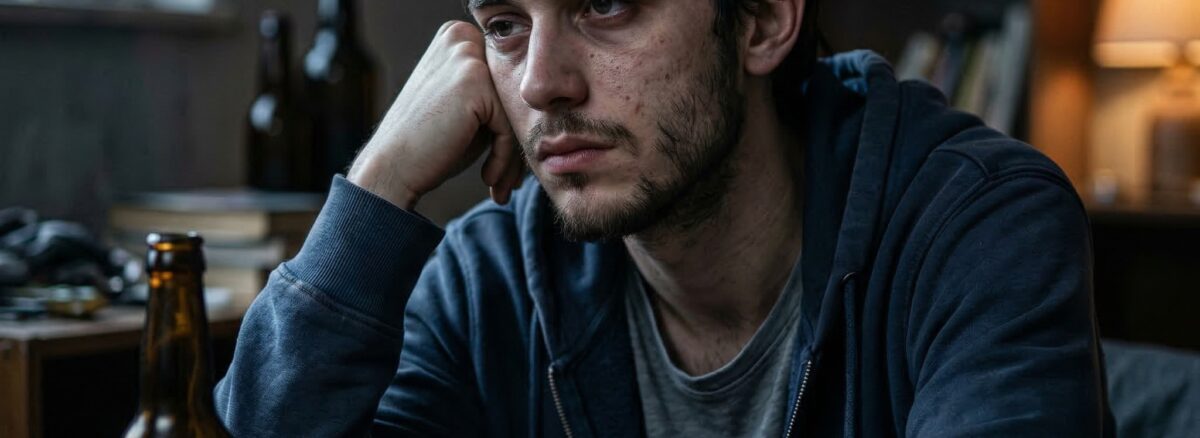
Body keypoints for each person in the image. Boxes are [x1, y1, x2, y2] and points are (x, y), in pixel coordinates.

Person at [215, 0, 1114, 436]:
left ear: (762, 20)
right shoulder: (486, 283)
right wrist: (378, 183)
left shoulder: (976, 224)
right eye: (504, 24)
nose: (539, 84)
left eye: (605, 7)